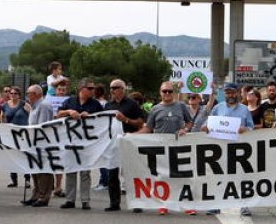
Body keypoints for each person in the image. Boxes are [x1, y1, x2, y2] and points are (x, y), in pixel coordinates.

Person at [197, 84, 255, 216]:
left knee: (241, 178)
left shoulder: (245, 110)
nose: (230, 95)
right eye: (227, 93)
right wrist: (205, 127)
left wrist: (245, 129)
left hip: (239, 150)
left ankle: (244, 206)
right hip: (220, 149)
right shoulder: (218, 108)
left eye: (232, 93)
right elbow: (207, 124)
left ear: (238, 93)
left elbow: (252, 129)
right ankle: (215, 205)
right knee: (218, 177)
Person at [139, 81, 193, 215]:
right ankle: (164, 204)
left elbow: (190, 122)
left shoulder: (181, 106)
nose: (167, 93)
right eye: (165, 91)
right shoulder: (155, 109)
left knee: (183, 176)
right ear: (160, 93)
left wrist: (185, 129)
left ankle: (187, 205)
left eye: (170, 91)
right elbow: (148, 128)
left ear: (173, 92)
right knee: (162, 177)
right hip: (161, 148)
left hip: (179, 146)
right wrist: (130, 136)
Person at [57, 78, 104, 210]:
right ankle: (70, 200)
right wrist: (69, 112)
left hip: (86, 143)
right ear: (81, 89)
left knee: (85, 172)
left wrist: (90, 116)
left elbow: (102, 121)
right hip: (70, 141)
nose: (93, 91)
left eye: (93, 88)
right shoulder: (70, 101)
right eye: (90, 88)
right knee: (70, 170)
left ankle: (85, 200)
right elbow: (58, 114)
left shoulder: (95, 104)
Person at [102, 78, 145, 212]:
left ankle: (137, 203)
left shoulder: (132, 104)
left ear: (122, 89)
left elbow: (140, 123)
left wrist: (125, 119)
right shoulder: (108, 105)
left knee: (132, 173)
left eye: (115, 87)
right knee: (112, 174)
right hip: (113, 143)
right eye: (111, 88)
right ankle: (114, 203)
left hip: (129, 141)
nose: (112, 90)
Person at [22, 85, 58, 207]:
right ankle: (36, 194)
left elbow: (42, 126)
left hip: (42, 143)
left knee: (43, 171)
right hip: (33, 142)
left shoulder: (43, 105)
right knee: (35, 170)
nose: (27, 96)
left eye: (29, 93)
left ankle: (44, 196)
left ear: (36, 94)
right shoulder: (34, 106)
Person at [0, 85, 30, 188]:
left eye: (15, 93)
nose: (13, 95)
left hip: (23, 134)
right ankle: (14, 180)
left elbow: (32, 115)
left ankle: (27, 179)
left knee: (24, 156)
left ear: (19, 95)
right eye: (11, 93)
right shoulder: (4, 105)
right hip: (10, 135)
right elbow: (3, 118)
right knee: (12, 157)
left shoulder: (24, 104)